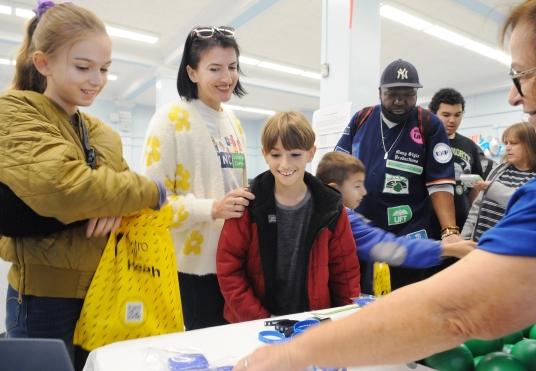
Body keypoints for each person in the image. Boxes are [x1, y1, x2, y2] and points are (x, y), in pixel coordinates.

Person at [233, 1, 536, 369]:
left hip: (386, 261)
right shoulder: (268, 198)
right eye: (276, 157)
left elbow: (446, 301)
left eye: (521, 75)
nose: (513, 95)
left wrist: (447, 243)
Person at [0, 2, 165, 369]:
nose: (97, 79)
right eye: (83, 67)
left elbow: (111, 191)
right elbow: (65, 189)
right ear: (43, 63)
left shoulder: (100, 132)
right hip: (43, 298)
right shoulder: (15, 111)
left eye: (104, 69)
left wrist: (113, 200)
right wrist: (151, 191)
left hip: (104, 288)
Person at [142, 26, 254, 330]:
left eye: (232, 67)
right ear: (192, 73)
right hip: (188, 271)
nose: (226, 78)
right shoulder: (169, 120)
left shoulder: (233, 122)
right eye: (214, 68)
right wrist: (212, 208)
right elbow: (153, 204)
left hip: (232, 264)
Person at [216, 112, 360, 322]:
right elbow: (229, 270)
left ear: (311, 153)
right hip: (254, 325)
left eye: (295, 154)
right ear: (265, 154)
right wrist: (260, 319)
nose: (285, 164)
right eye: (276, 155)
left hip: (312, 323)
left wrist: (344, 321)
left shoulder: (330, 206)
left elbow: (345, 272)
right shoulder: (246, 204)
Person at [335, 58, 459, 291]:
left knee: (409, 295)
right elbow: (337, 167)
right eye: (392, 93)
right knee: (365, 295)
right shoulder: (362, 118)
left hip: (410, 231)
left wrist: (450, 231)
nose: (400, 100)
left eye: (408, 93)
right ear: (379, 92)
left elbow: (440, 183)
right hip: (364, 229)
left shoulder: (428, 124)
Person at [315, 151, 475, 270]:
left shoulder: (321, 212)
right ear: (334, 189)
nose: (364, 192)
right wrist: (448, 249)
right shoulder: (343, 220)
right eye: (357, 186)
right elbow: (390, 248)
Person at [462, 122, 536, 241]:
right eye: (506, 143)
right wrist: (464, 237)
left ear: (531, 145)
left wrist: (493, 189)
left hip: (512, 249)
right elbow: (477, 207)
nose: (508, 147)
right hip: (479, 244)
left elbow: (529, 205)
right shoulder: (499, 170)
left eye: (514, 143)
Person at [429, 88, 484, 230]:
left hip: (463, 223)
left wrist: (474, 219)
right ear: (433, 113)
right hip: (429, 223)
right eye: (446, 115)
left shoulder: (470, 146)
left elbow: (475, 188)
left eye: (458, 115)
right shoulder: (424, 143)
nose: (452, 120)